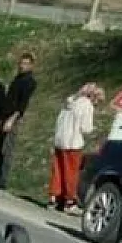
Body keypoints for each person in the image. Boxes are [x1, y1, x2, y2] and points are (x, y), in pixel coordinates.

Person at [50, 83, 105, 213]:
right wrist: (94, 130)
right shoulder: (86, 106)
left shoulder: (70, 101)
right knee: (72, 172)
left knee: (58, 170)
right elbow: (85, 128)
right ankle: (70, 201)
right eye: (98, 100)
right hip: (73, 142)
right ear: (93, 96)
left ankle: (54, 198)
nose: (97, 103)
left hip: (60, 139)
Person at [0, 52, 37, 190]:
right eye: (21, 63)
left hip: (13, 117)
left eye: (25, 64)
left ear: (31, 65)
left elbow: (22, 105)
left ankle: (3, 179)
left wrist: (12, 119)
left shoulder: (29, 82)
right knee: (1, 147)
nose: (22, 66)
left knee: (7, 148)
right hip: (6, 115)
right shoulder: (18, 78)